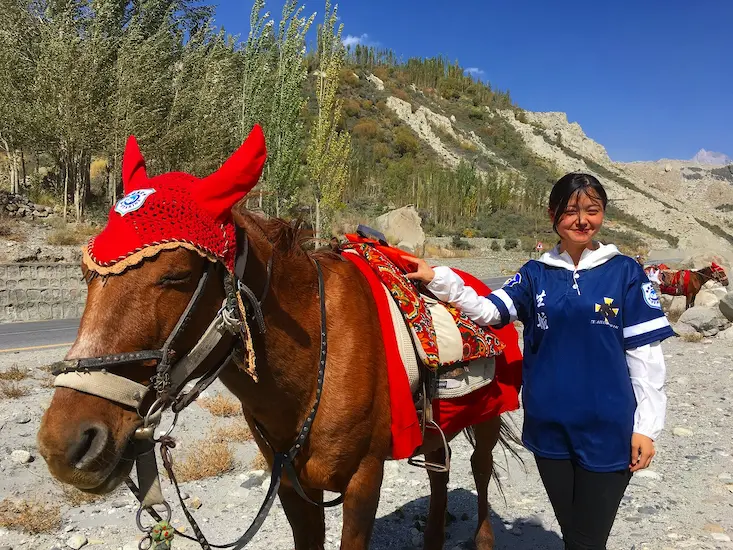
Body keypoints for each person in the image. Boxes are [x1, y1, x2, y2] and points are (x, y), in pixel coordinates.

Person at [404, 172, 674, 550]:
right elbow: (487, 310)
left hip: (609, 428)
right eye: (571, 211)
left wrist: (647, 427)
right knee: (573, 534)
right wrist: (439, 278)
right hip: (549, 429)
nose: (582, 220)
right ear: (553, 215)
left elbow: (645, 357)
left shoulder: (625, 272)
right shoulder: (534, 275)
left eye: (592, 210)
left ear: (603, 215)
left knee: (587, 540)